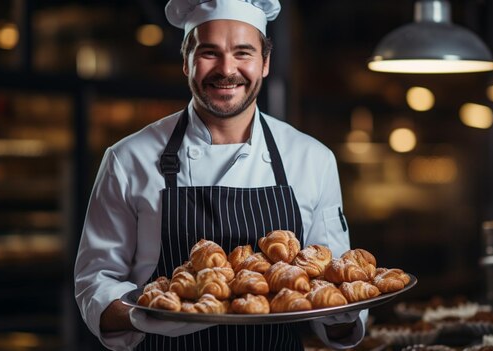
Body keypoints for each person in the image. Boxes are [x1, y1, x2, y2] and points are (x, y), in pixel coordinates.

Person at [74, 0, 367, 350]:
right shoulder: (128, 159)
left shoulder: (312, 159)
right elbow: (95, 283)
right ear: (186, 62)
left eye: (243, 53)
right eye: (209, 52)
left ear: (266, 63)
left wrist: (341, 316)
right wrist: (138, 314)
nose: (227, 69)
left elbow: (335, 284)